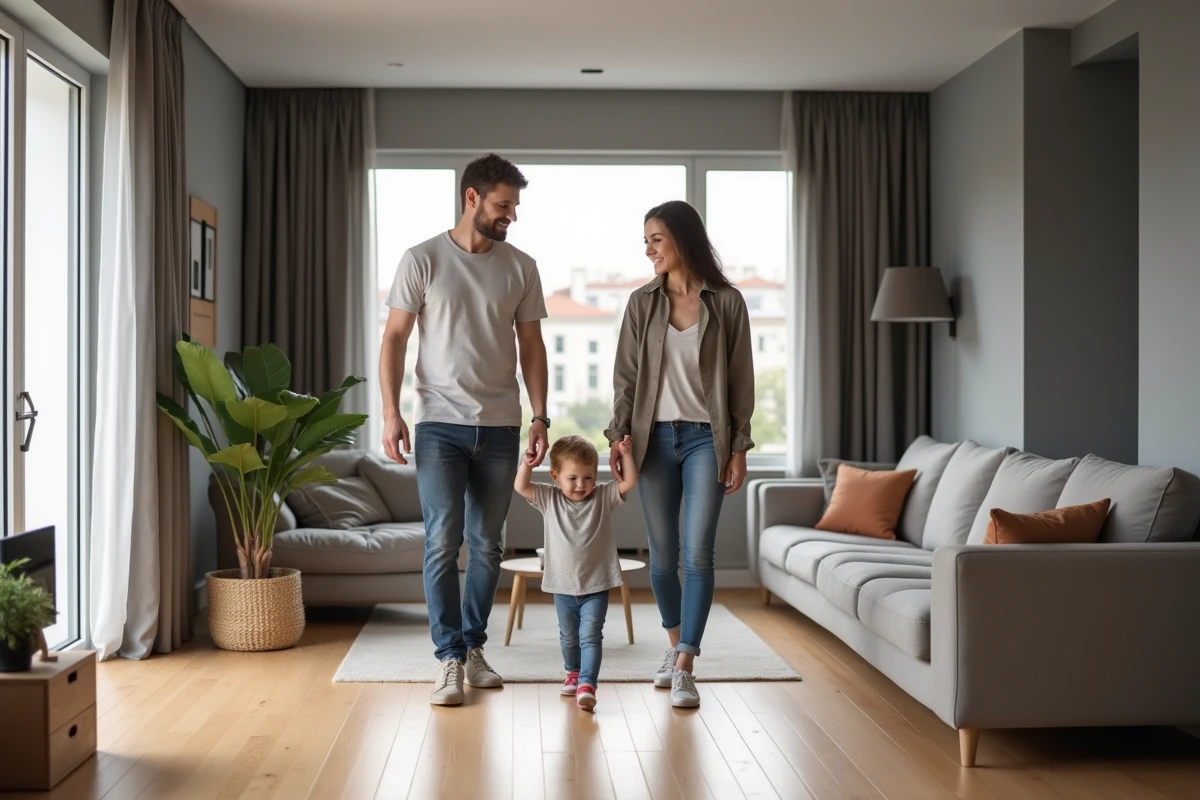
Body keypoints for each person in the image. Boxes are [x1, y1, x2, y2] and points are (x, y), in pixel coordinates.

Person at [380, 153, 551, 707]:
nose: (512, 216)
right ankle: (448, 659)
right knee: (441, 542)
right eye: (504, 205)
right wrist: (390, 412)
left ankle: (473, 649)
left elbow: (532, 347)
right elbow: (395, 340)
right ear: (472, 198)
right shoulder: (422, 259)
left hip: (501, 427)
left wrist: (541, 415)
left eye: (515, 206)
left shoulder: (521, 267)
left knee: (487, 545)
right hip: (438, 427)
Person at [605, 200, 755, 709]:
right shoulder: (640, 303)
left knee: (698, 552)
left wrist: (739, 447)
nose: (648, 249)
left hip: (704, 441)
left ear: (682, 239)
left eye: (656, 239)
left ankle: (686, 662)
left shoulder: (727, 302)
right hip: (651, 441)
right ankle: (673, 647)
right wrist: (617, 437)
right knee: (663, 558)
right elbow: (625, 378)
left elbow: (740, 383)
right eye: (645, 240)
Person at [514, 434, 638, 711]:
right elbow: (521, 486)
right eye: (573, 479)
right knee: (568, 636)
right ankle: (572, 673)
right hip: (563, 585)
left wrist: (626, 455)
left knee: (591, 635)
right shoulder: (549, 498)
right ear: (556, 476)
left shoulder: (604, 496)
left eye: (588, 477)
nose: (581, 485)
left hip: (597, 583)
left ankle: (587, 683)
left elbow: (629, 482)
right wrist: (527, 463)